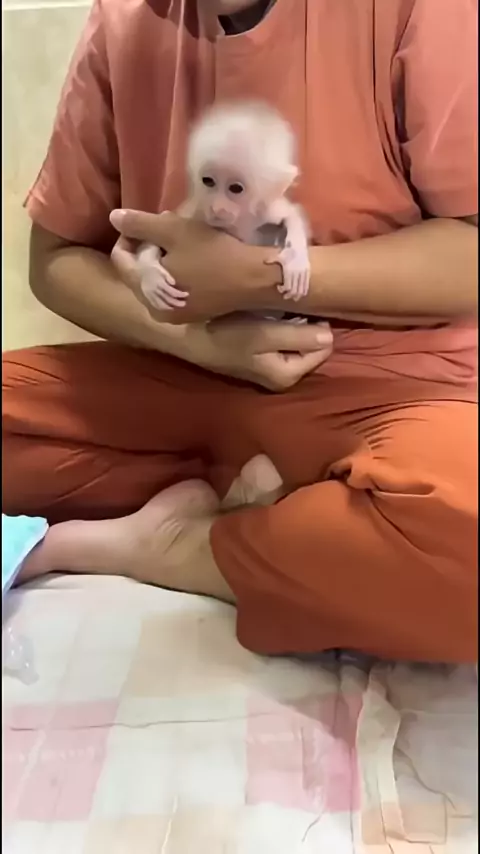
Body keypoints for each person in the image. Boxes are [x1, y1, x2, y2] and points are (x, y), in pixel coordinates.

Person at [2, 0, 478, 663]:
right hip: (181, 375)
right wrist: (194, 342)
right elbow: (56, 259)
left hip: (390, 392)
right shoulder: (122, 20)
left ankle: (179, 545)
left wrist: (255, 278)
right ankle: (285, 515)